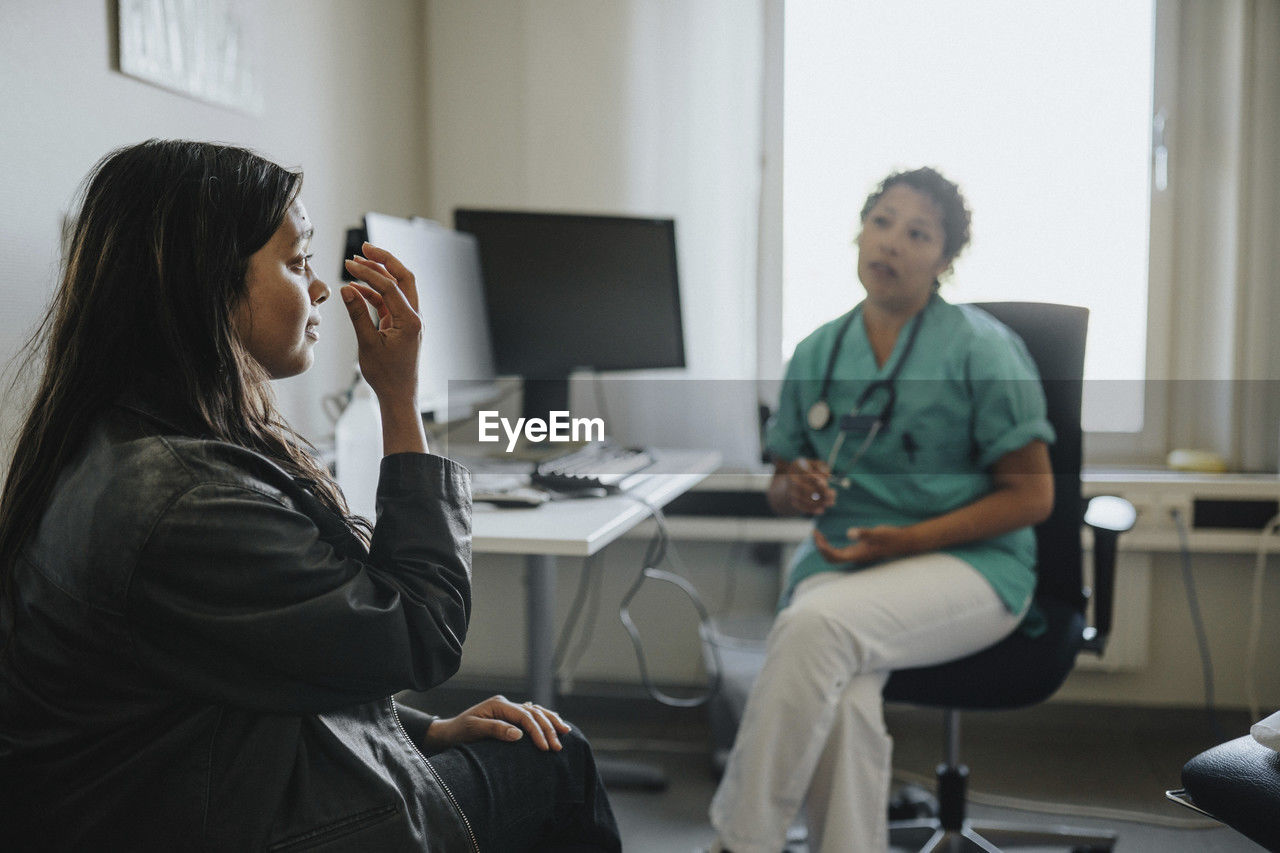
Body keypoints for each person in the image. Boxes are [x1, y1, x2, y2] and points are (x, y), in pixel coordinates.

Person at [0, 139, 621, 851]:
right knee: (558, 760)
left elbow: (253, 669)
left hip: (202, 790)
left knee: (523, 742)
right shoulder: (187, 503)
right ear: (206, 287)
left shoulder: (115, 448)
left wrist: (424, 731)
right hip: (220, 821)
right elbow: (422, 631)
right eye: (297, 264)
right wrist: (398, 399)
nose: (321, 288)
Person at [708, 168, 1056, 853]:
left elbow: (1033, 495)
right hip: (843, 558)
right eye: (882, 221)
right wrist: (797, 487)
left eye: (918, 232)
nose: (892, 241)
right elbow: (781, 484)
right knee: (843, 700)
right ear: (860, 231)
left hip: (971, 566)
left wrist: (907, 540)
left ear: (945, 260)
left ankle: (739, 842)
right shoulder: (818, 351)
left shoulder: (982, 350)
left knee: (814, 626)